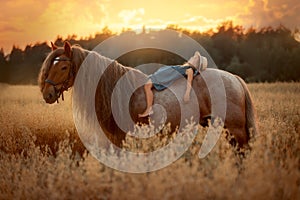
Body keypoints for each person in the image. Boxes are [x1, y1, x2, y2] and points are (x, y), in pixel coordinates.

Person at [138, 51, 208, 118]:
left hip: (164, 78)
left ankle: (149, 108)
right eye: (193, 56)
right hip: (162, 75)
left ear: (196, 64)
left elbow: (189, 82)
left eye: (194, 58)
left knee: (147, 86)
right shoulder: (184, 66)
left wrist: (187, 93)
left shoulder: (190, 70)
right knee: (146, 83)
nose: (192, 57)